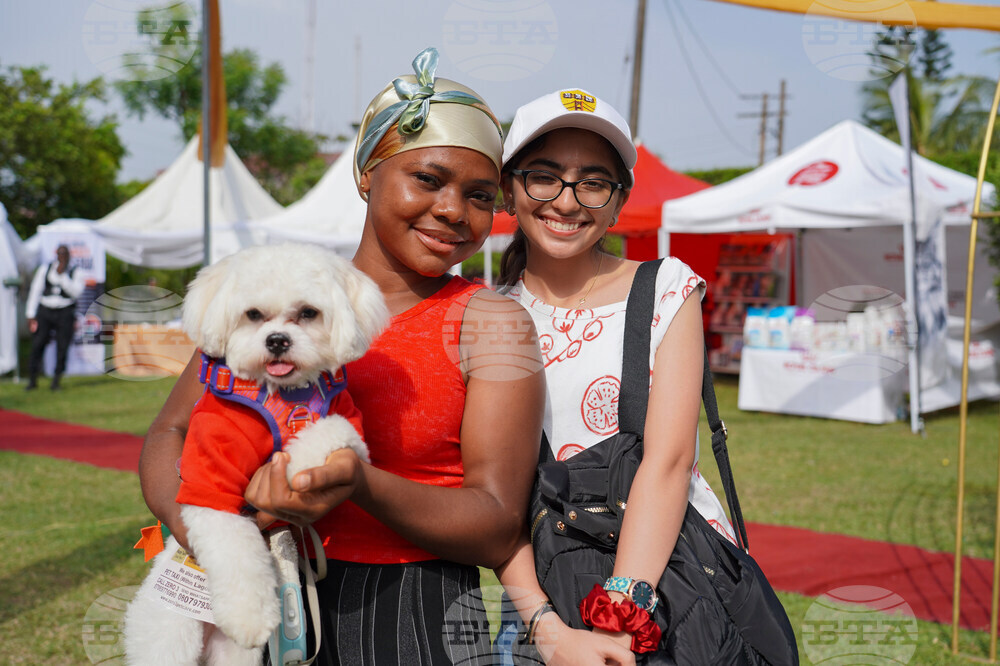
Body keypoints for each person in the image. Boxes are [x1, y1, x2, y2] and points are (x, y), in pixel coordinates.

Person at [137, 47, 545, 664]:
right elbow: (169, 430)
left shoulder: (491, 322)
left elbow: (495, 522)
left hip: (408, 614)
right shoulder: (275, 289)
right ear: (365, 173)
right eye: (428, 179)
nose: (454, 211)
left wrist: (362, 485)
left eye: (482, 196)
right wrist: (212, 532)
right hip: (248, 588)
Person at [493, 89, 737, 665]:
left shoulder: (665, 288)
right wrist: (545, 627)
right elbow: (495, 495)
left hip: (668, 580)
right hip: (542, 592)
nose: (567, 201)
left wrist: (623, 608)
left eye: (593, 182)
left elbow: (669, 460)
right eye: (544, 177)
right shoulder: (487, 314)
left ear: (619, 201)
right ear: (510, 188)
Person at [25, 244, 84, 391]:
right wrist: (30, 314)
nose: (62, 257)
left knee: (62, 346)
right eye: (60, 254)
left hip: (65, 311)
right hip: (45, 311)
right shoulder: (45, 269)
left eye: (65, 254)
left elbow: (76, 293)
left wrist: (63, 276)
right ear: (56, 255)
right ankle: (32, 380)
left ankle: (56, 381)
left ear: (69, 256)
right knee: (38, 343)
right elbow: (35, 291)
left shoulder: (75, 272)